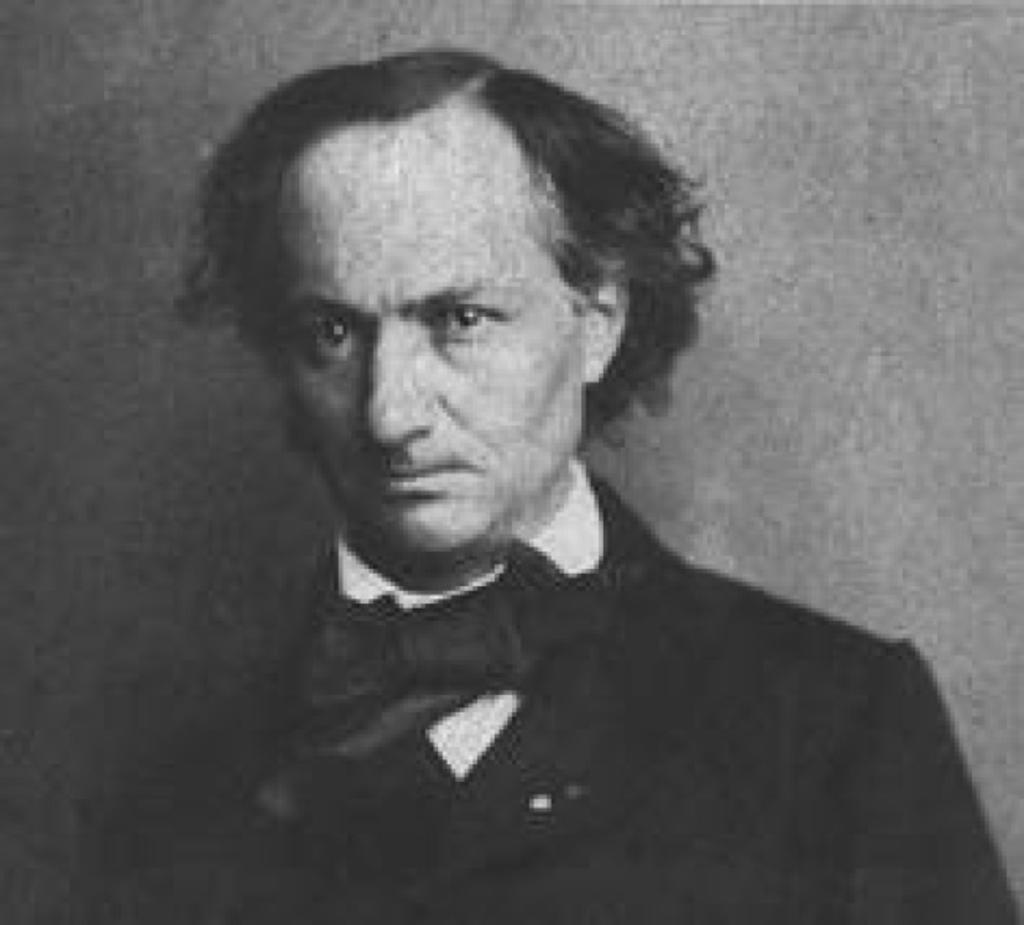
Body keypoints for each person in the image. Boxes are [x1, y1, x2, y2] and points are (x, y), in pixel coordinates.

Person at [95, 48, 1016, 924]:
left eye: (459, 318)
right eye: (332, 333)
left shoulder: (833, 723)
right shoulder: (175, 775)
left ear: (598, 320)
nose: (388, 412)